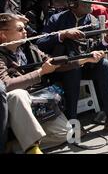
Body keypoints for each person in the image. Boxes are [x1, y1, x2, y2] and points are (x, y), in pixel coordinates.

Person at [35, 0, 108, 135]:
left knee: (104, 64)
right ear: (72, 4)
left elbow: (96, 47)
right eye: (85, 0)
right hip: (63, 66)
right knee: (73, 68)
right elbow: (40, 42)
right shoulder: (57, 19)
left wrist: (106, 39)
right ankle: (72, 122)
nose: (90, 2)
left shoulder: (93, 21)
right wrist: (63, 35)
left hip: (86, 64)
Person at [0, 13, 69, 153]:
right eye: (20, 29)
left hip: (36, 101)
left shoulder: (27, 48)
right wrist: (40, 73)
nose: (25, 31)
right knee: (18, 94)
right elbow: (6, 85)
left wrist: (85, 60)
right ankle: (32, 149)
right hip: (13, 104)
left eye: (25, 28)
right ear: (3, 35)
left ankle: (14, 147)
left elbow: (53, 62)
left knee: (66, 133)